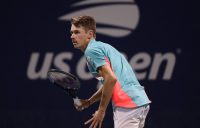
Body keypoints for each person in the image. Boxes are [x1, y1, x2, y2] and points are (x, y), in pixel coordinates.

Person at [69, 15, 151, 128]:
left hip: (127, 104)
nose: (72, 36)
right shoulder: (102, 47)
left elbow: (111, 79)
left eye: (77, 32)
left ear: (90, 35)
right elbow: (110, 82)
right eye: (71, 32)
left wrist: (101, 111)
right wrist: (89, 102)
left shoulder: (91, 51)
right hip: (139, 102)